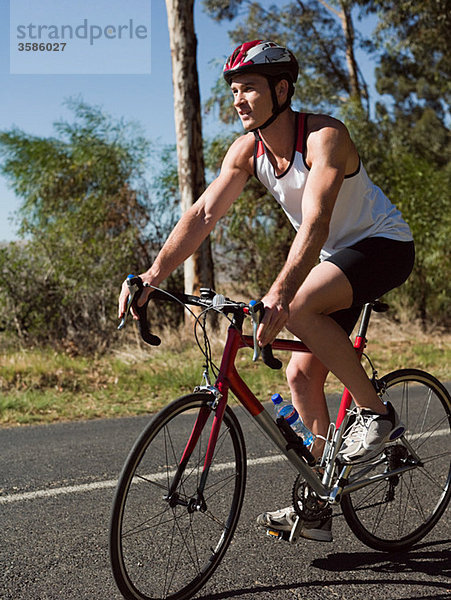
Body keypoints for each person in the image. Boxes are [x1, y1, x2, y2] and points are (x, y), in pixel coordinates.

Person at [118, 40, 415, 543]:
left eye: (248, 88)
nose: (238, 99)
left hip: (382, 244)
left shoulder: (325, 137)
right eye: (233, 90)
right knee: (299, 378)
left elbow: (316, 223)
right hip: (332, 260)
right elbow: (203, 215)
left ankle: (377, 415)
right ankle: (323, 499)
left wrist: (279, 293)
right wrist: (152, 276)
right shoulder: (247, 151)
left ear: (281, 89)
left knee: (296, 306)